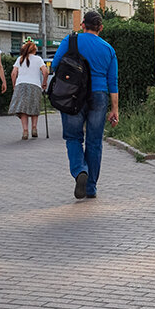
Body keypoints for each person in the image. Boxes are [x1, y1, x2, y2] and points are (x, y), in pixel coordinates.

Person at [51, 10, 119, 199]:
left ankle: (80, 170)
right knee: (95, 142)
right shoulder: (108, 49)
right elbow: (113, 82)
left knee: (73, 138)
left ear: (82, 25)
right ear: (101, 28)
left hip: (72, 95)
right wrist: (114, 109)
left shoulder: (70, 40)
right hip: (99, 95)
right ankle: (91, 188)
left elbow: (55, 65)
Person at [7, 39, 49, 139]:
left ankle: (25, 131)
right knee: (34, 107)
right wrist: (44, 83)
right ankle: (34, 128)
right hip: (35, 85)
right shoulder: (38, 59)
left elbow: (13, 74)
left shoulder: (20, 59)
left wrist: (14, 86)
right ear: (34, 50)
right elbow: (45, 72)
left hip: (21, 85)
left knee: (23, 110)